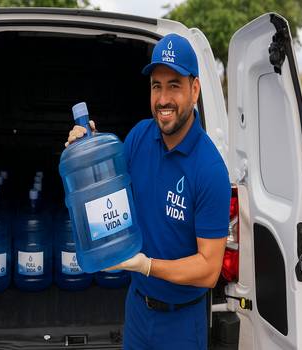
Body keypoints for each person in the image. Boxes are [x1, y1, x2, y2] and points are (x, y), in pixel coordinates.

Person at [65, 33, 229, 349]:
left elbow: (209, 269)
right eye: (157, 86)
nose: (163, 98)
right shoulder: (140, 136)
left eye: (174, 85)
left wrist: (146, 265)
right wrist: (88, 149)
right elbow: (107, 187)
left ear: (195, 89)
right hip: (138, 308)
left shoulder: (209, 170)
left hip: (181, 322)